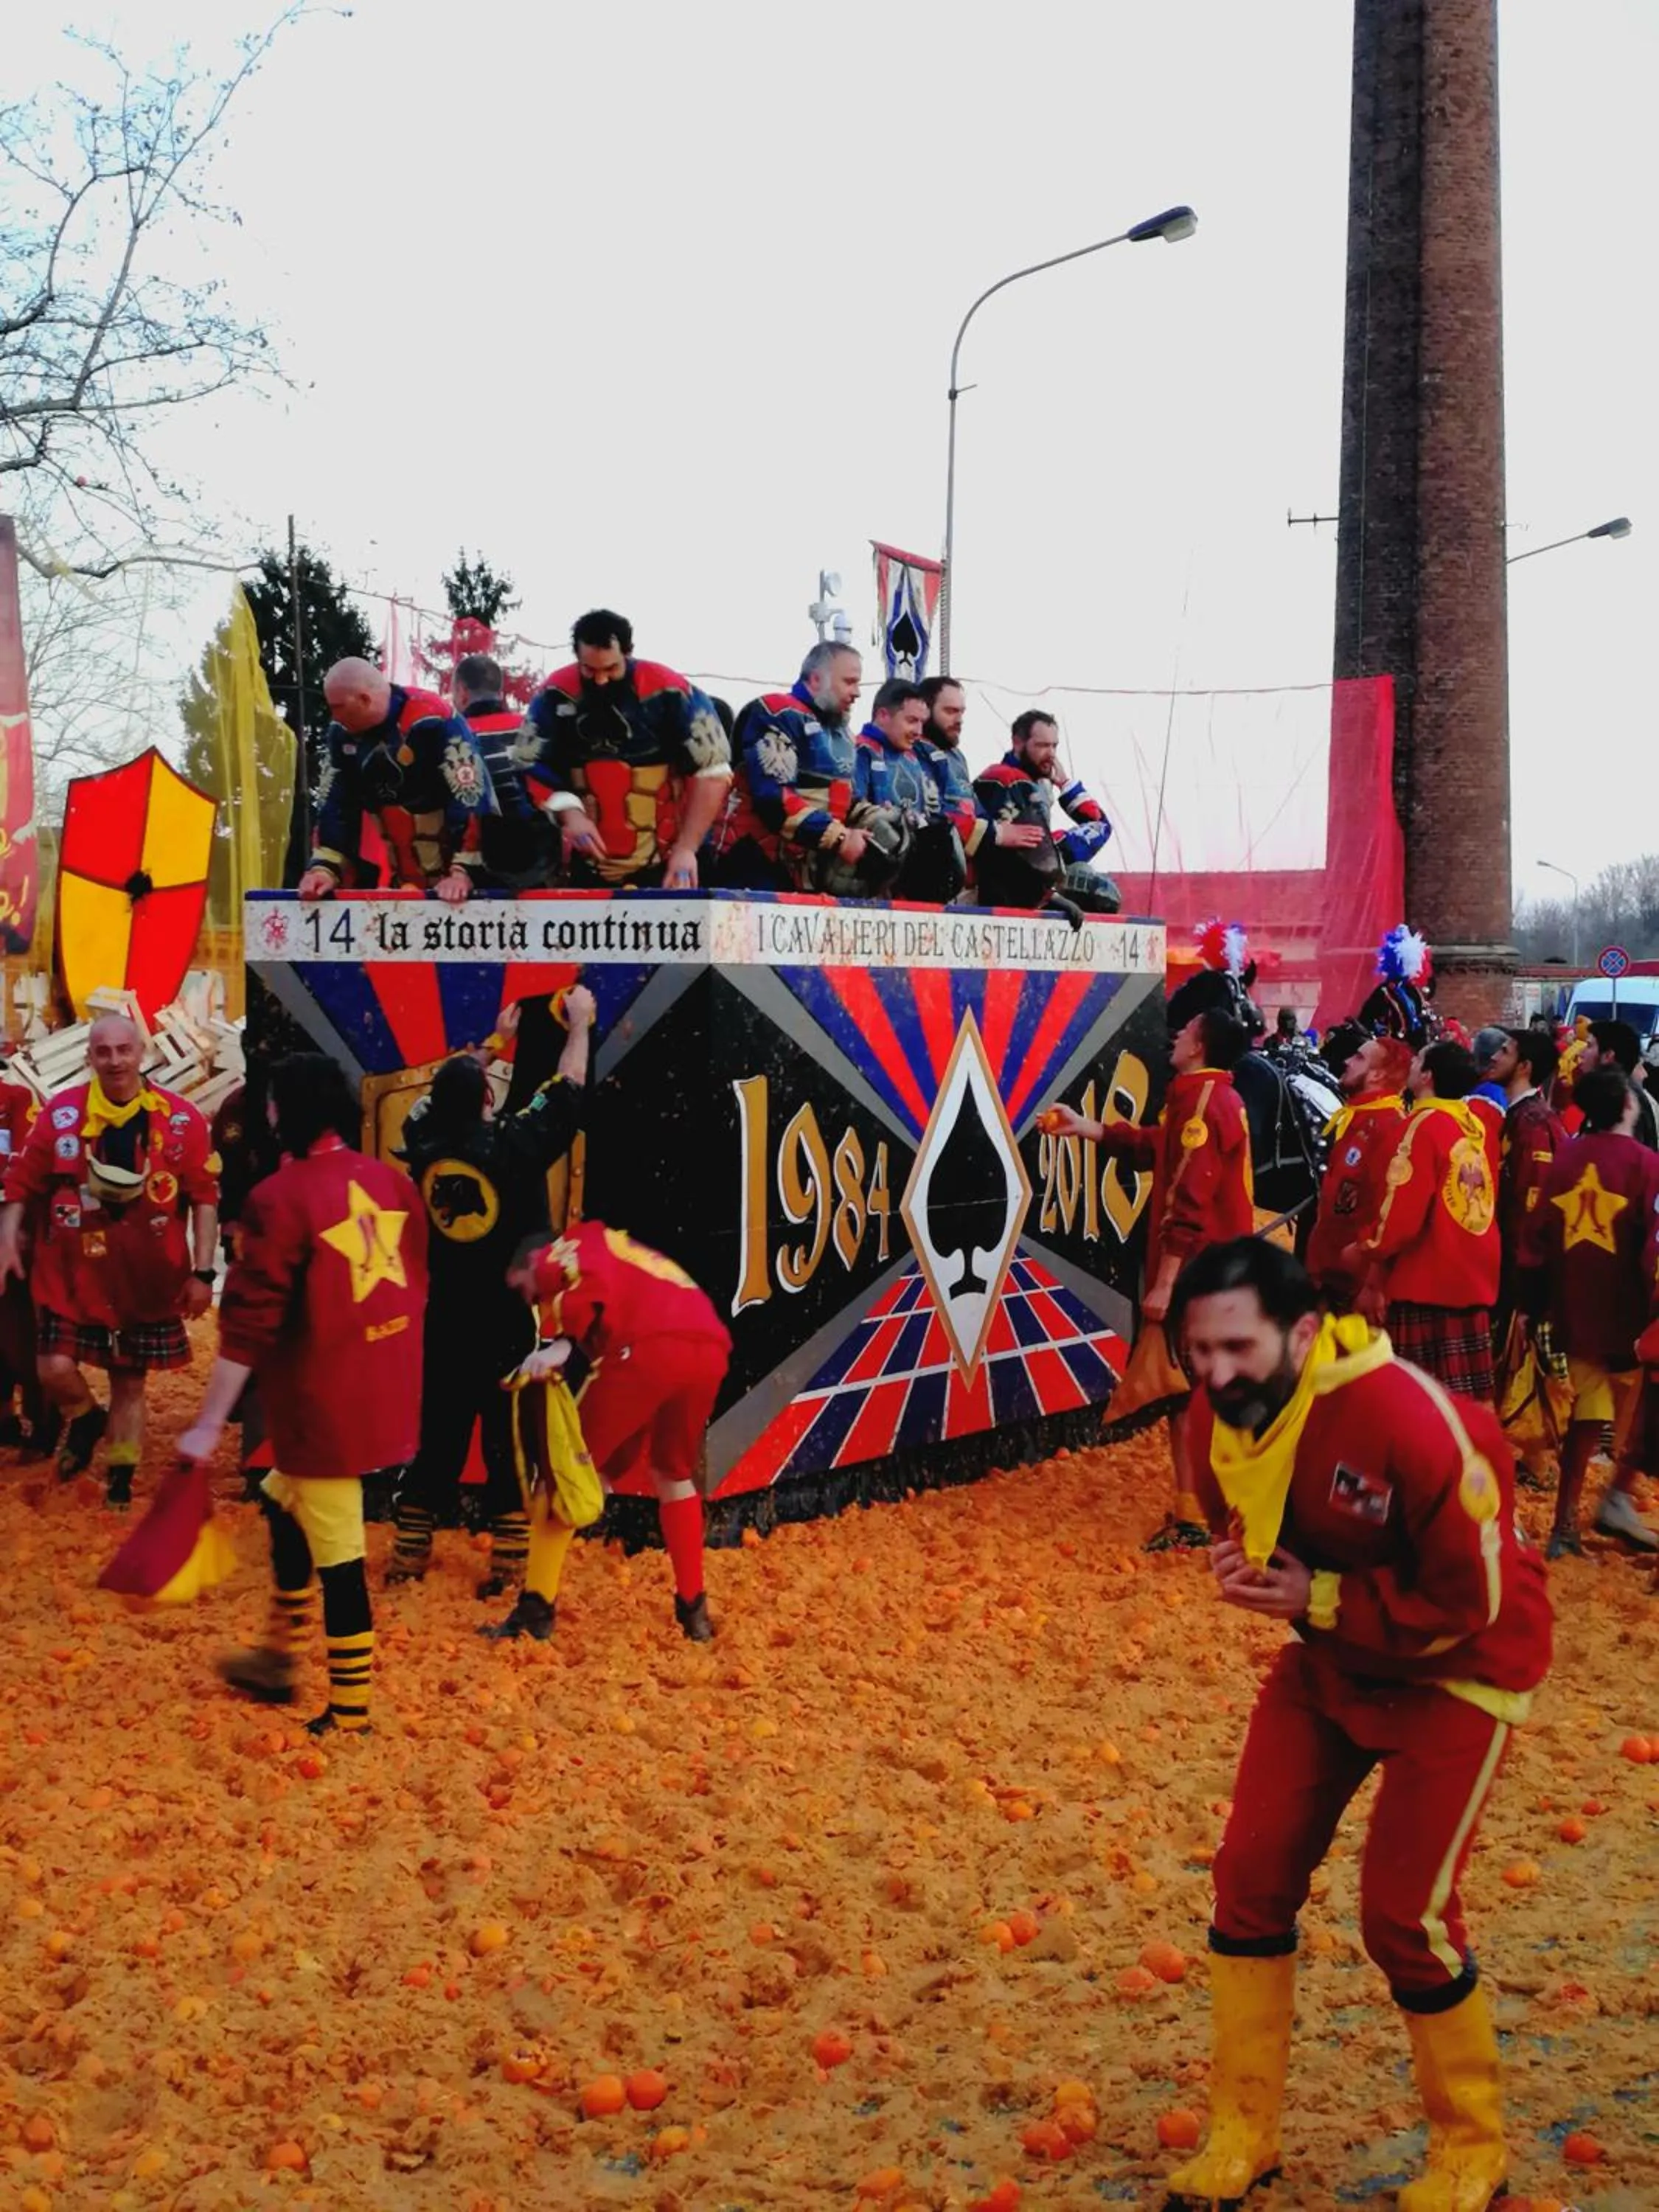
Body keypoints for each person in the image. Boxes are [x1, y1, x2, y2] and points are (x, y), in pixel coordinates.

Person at [1161, 1237, 1551, 2212]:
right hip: (1332, 1662)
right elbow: (1244, 1524)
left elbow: (1474, 1603)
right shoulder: (1215, 1418)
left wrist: (1321, 1599)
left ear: (1303, 1333)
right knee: (1248, 1880)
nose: (1215, 1374)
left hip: (1461, 1671)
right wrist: (1241, 1566)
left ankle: (1472, 2151)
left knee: (1402, 1917)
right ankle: (1242, 2134)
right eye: (1198, 1351)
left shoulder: (1413, 1425)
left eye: (1237, 1348)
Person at [177, 1054, 428, 1736]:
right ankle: (278, 1654)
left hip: (324, 1405)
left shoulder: (278, 1199)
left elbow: (247, 1326)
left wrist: (209, 1422)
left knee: (341, 1561)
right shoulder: (390, 1182)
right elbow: (415, 1281)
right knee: (279, 1499)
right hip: (383, 1389)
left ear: (281, 1111)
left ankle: (350, 1715)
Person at [389, 985, 594, 1589]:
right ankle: (508, 1561)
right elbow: (568, 1089)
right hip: (505, 1315)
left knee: (440, 1433)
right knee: (510, 1436)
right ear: (487, 1098)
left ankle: (408, 1555)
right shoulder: (511, 1144)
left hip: (447, 1314)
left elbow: (427, 1104)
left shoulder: (422, 1143)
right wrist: (580, 1025)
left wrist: (493, 1043)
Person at [1047, 1001, 1254, 1543]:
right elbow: (1156, 1148)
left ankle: (1199, 1513)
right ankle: (1215, 1506)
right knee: (1200, 1391)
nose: (1177, 1035)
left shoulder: (1202, 1103)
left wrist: (1165, 1283)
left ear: (1200, 1047)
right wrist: (1089, 1128)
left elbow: (1188, 1201)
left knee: (1189, 1394)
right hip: (1219, 1269)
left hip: (1198, 1272)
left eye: (1187, 1029)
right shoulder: (1206, 1097)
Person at [0, 1015, 218, 1503]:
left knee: (129, 1383)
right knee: (53, 1367)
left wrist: (204, 1273)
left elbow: (205, 1198)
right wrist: (7, 1238)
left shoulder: (182, 1120)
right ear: (89, 1058)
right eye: (104, 1051)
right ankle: (85, 1417)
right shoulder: (61, 1115)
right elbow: (21, 1182)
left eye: (124, 1050)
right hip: (73, 1274)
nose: (115, 1060)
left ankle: (120, 1481)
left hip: (146, 1278)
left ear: (143, 1053)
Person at [490, 1220, 732, 1642]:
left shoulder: (567, 1246)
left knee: (563, 1473)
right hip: (709, 1348)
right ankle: (694, 1611)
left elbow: (574, 1276)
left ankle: (535, 1610)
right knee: (673, 1474)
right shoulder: (626, 1252)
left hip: (647, 1348)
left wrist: (562, 1343)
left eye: (524, 1288)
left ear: (532, 1260)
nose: (530, 1299)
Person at [1520, 1065, 1659, 1557]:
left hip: (1574, 1312)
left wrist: (1533, 1304)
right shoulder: (1646, 1164)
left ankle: (1564, 1525)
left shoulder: (1566, 1158)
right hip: (1632, 1318)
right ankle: (1616, 1497)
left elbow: (1535, 1236)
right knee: (1642, 1414)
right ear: (1628, 1105)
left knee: (1587, 1416)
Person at [519, 609, 731, 889]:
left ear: (628, 653)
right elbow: (529, 764)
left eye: (611, 669)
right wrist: (569, 812)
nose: (601, 680)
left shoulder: (670, 691)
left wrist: (687, 848)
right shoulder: (555, 694)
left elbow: (713, 771)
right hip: (588, 863)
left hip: (666, 860)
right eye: (589, 670)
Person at [1359, 1040, 1500, 1402]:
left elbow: (1399, 1212)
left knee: (1418, 1404)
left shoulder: (1420, 1126)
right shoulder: (1474, 1125)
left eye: (1418, 1059)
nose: (1412, 1063)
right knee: (1468, 1408)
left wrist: (1369, 1248)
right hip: (1472, 1278)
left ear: (1427, 1076)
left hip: (1427, 1283)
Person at [298, 658, 490, 902]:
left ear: (365, 700)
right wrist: (323, 870)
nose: (334, 716)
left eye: (338, 707)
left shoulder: (434, 720)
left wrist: (463, 872)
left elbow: (471, 796)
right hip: (402, 884)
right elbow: (336, 805)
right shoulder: (340, 735)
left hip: (463, 892)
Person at [716, 641, 864, 889]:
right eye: (849, 682)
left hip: (809, 872)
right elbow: (773, 799)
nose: (857, 692)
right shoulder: (776, 713)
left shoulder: (844, 735)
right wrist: (840, 837)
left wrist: (877, 822)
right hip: (754, 861)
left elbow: (848, 800)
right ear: (816, 679)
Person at [1304, 1030, 1410, 1313]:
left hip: (1353, 1286)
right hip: (1328, 1276)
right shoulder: (1357, 1117)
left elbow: (1388, 1213)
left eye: (1359, 1058)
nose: (1347, 1061)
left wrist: (1372, 1284)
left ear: (1377, 1075)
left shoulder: (1390, 1127)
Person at [972, 709, 1119, 911]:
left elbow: (1099, 826)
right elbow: (1018, 858)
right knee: (1091, 885)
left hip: (1022, 889)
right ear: (1018, 743)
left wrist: (1065, 784)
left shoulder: (1036, 784)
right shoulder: (1005, 778)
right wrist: (1051, 896)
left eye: (1054, 746)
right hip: (994, 899)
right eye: (1042, 745)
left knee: (1099, 888)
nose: (1051, 754)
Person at [851, 678, 982, 901]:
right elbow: (853, 810)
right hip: (871, 888)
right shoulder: (860, 752)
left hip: (920, 886)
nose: (918, 731)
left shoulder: (925, 756)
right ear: (883, 715)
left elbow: (952, 809)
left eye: (922, 722)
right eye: (911, 721)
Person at [451, 651, 556, 890]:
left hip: (472, 876)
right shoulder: (530, 730)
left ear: (462, 691)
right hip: (541, 869)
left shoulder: (456, 736)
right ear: (500, 691)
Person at [1580, 1019, 1659, 1150]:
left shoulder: (1622, 1102)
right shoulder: (1613, 1093)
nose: (1581, 1053)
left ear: (1608, 1056)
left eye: (1589, 1046)